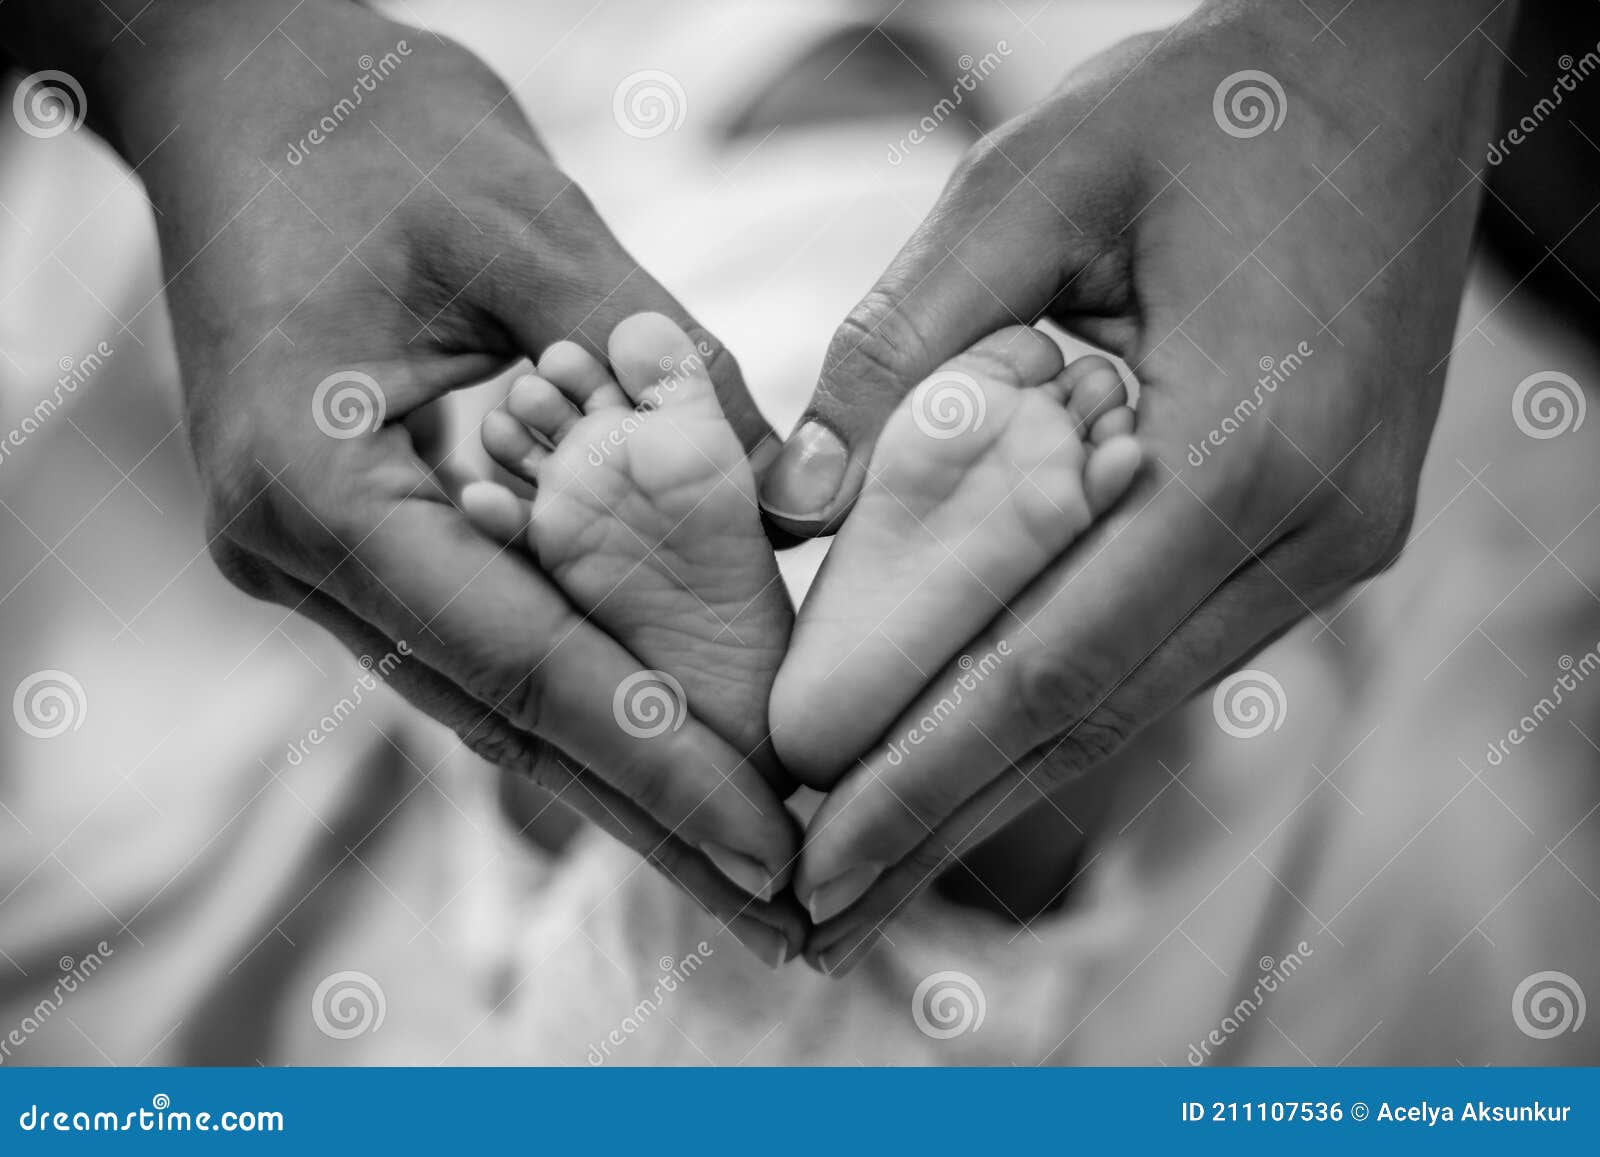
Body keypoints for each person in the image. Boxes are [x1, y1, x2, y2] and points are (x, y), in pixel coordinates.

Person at [0, 0, 1519, 976]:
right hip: (859, 309)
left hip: (726, 293)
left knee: (537, 739)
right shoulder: (967, 218)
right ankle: (990, 787)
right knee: (1117, 692)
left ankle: (639, 763)